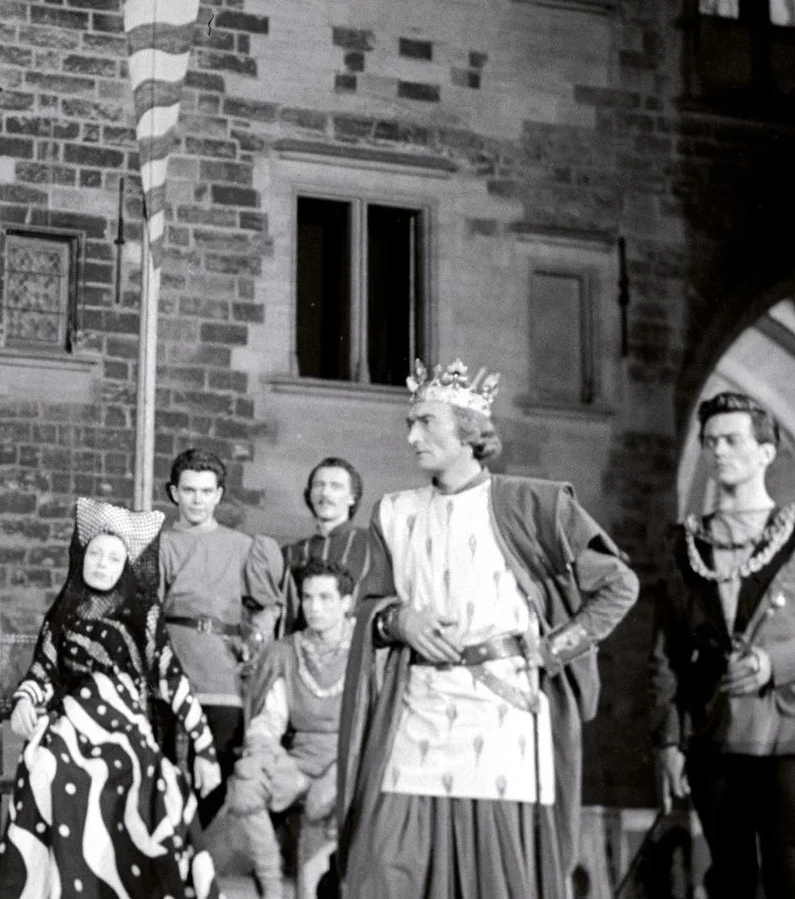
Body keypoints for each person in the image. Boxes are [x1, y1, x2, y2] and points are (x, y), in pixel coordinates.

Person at [332, 360, 639, 899]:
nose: (411, 437)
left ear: (468, 431)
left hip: (502, 718)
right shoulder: (394, 513)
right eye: (410, 423)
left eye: (426, 422)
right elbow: (370, 605)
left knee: (495, 879)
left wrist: (552, 650)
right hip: (418, 711)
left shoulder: (533, 504)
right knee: (380, 868)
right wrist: (399, 619)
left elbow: (619, 585)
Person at [649, 391, 795, 899]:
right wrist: (667, 741)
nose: (718, 451)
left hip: (783, 733)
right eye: (709, 442)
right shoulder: (684, 544)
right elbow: (666, 654)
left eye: (731, 440)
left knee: (788, 875)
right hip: (709, 735)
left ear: (765, 452)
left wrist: (773, 663)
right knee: (730, 878)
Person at [0, 498, 222, 899]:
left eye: (114, 558)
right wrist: (26, 700)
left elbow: (170, 677)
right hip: (72, 722)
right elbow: (44, 670)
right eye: (95, 554)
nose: (102, 564)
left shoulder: (143, 614)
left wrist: (205, 748)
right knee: (45, 765)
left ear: (126, 566)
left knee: (143, 775)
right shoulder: (64, 612)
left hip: (125, 724)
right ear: (82, 556)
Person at [158, 447, 283, 822]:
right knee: (166, 778)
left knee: (217, 780)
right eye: (189, 490)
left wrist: (256, 640)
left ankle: (208, 853)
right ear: (174, 493)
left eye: (206, 491)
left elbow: (267, 606)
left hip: (222, 676)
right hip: (173, 671)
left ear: (219, 495)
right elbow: (148, 613)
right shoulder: (160, 545)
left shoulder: (244, 547)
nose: (197, 500)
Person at [230, 559, 354, 899]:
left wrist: (337, 774)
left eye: (325, 598)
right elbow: (270, 720)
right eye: (308, 597)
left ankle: (311, 888)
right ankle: (271, 889)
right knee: (246, 784)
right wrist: (262, 751)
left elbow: (374, 726)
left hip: (350, 764)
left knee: (319, 806)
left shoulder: (364, 652)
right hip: (300, 762)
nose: (314, 607)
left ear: (346, 603)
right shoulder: (286, 651)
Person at [278, 457, 368, 635]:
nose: (325, 493)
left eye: (336, 486)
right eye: (319, 485)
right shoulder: (293, 553)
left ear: (352, 497)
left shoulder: (371, 545)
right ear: (310, 494)